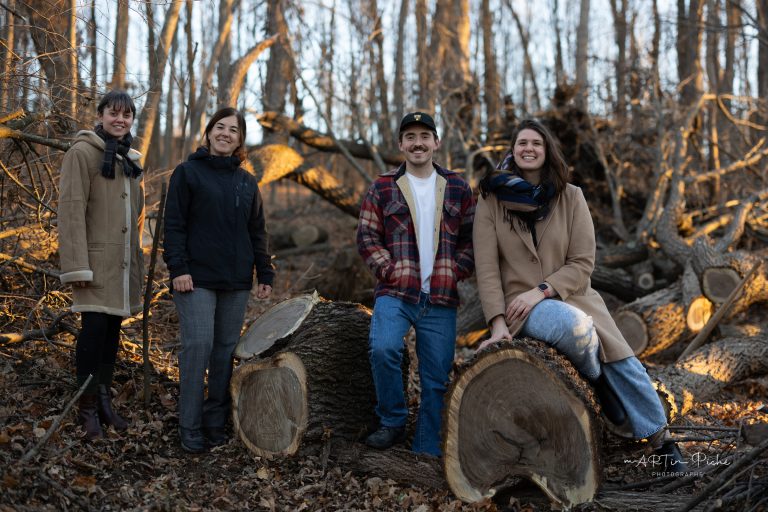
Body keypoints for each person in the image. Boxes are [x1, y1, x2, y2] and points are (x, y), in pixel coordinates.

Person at [473, 119, 686, 472]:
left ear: (547, 151)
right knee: (573, 328)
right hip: (521, 306)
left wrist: (542, 291)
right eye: (521, 142)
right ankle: (599, 382)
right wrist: (497, 324)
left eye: (536, 144)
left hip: (574, 295)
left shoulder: (571, 196)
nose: (528, 148)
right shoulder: (491, 200)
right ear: (512, 150)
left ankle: (662, 440)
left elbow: (583, 262)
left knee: (624, 359)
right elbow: (486, 268)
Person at [356, 112, 475, 457]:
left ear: (436, 142)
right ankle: (392, 421)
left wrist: (456, 269)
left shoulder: (457, 187)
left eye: (425, 136)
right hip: (397, 291)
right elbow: (366, 235)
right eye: (410, 137)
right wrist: (389, 269)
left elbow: (471, 239)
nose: (418, 142)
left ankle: (425, 446)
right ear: (400, 145)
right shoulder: (383, 186)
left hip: (440, 296)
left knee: (436, 378)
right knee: (383, 349)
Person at [164, 107, 275, 453]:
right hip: (194, 279)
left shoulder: (247, 181)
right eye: (220, 127)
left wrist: (264, 271)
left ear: (241, 139)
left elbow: (257, 230)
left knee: (225, 350)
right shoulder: (187, 173)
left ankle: (216, 421)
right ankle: (190, 423)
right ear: (209, 132)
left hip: (236, 280)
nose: (226, 134)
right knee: (198, 345)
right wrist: (178, 268)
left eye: (234, 130)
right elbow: (174, 226)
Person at [58, 90, 144, 440]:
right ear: (102, 114)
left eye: (126, 115)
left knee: (111, 334)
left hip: (121, 265)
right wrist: (77, 265)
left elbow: (137, 217)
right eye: (113, 113)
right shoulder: (82, 153)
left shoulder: (132, 160)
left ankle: (105, 400)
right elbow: (71, 210)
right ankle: (87, 406)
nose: (120, 120)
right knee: (92, 334)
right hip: (94, 263)